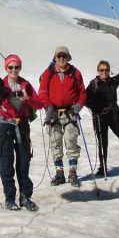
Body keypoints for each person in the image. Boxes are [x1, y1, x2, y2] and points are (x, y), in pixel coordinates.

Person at [0, 54, 44, 211]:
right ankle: (10, 198)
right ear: (6, 68)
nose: (13, 70)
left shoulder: (25, 84)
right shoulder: (1, 85)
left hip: (22, 126)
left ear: (20, 68)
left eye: (16, 67)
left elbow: (39, 104)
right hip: (5, 126)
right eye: (10, 67)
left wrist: (27, 99)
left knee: (24, 161)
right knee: (6, 163)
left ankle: (25, 197)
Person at [86, 46, 119, 176]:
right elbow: (85, 99)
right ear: (98, 71)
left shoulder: (113, 82)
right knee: (103, 144)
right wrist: (94, 107)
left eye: (106, 70)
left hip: (114, 116)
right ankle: (102, 167)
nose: (104, 72)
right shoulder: (93, 85)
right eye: (102, 70)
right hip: (100, 118)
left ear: (109, 71)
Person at [38, 46, 87, 186]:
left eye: (64, 56)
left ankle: (72, 173)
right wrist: (48, 107)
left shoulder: (75, 73)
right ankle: (60, 174)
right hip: (53, 114)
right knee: (55, 142)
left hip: (70, 112)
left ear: (68, 57)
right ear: (55, 58)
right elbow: (42, 91)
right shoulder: (48, 72)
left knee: (71, 141)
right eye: (59, 56)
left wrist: (78, 106)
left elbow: (82, 93)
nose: (61, 58)